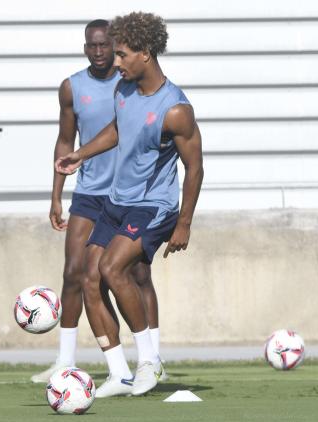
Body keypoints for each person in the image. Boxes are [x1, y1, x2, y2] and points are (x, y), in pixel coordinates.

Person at [56, 11, 203, 397]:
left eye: (122, 54)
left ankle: (148, 362)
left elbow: (195, 168)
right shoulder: (124, 91)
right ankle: (119, 372)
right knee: (89, 276)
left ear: (146, 54)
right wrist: (81, 154)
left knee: (112, 268)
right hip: (117, 201)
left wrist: (184, 222)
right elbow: (119, 129)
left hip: (153, 206)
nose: (115, 62)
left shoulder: (176, 109)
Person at [32, 19, 164, 384]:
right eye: (92, 46)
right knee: (75, 271)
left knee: (136, 274)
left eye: (106, 46)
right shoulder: (72, 88)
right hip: (89, 193)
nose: (100, 52)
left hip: (127, 194)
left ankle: (152, 357)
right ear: (85, 47)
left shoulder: (133, 85)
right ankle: (66, 360)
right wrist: (56, 193)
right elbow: (65, 140)